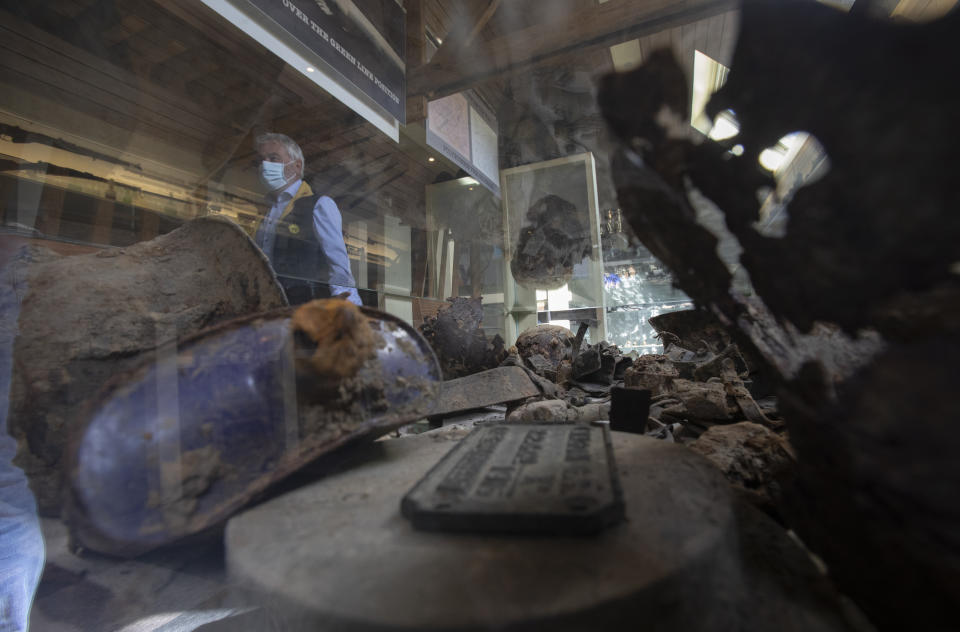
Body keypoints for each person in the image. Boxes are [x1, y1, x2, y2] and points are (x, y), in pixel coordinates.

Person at [253, 133, 362, 306]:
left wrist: (349, 307)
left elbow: (338, 264)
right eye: (262, 160)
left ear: (297, 166)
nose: (265, 165)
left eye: (273, 158)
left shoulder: (319, 205)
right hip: (273, 309)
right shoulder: (267, 213)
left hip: (307, 308)